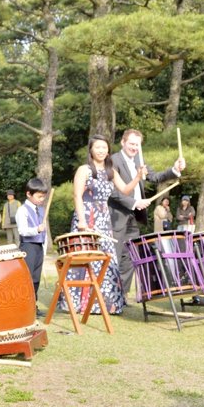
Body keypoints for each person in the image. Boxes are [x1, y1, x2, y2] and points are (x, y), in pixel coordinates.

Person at [60, 135, 144, 315]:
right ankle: (80, 304)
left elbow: (126, 190)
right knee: (85, 259)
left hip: (104, 220)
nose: (101, 151)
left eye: (104, 148)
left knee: (106, 260)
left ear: (108, 151)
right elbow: (77, 196)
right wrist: (82, 221)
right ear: (91, 150)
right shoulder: (84, 169)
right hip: (87, 218)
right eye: (97, 147)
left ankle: (105, 304)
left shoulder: (110, 170)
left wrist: (137, 176)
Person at [107, 129, 186, 296]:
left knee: (129, 255)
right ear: (123, 142)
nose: (134, 148)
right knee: (114, 254)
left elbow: (156, 177)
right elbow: (112, 192)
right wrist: (134, 202)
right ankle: (107, 294)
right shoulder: (113, 160)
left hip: (133, 216)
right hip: (116, 215)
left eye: (137, 145)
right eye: (131, 144)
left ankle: (122, 295)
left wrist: (175, 169)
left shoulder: (139, 160)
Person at [16, 178, 49, 310]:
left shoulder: (41, 210)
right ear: (29, 194)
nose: (41, 199)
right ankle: (24, 307)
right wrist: (36, 229)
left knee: (36, 279)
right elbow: (22, 231)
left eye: (43, 197)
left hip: (39, 248)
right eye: (39, 196)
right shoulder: (22, 210)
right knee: (27, 278)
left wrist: (44, 252)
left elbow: (44, 234)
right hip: (28, 247)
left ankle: (33, 306)